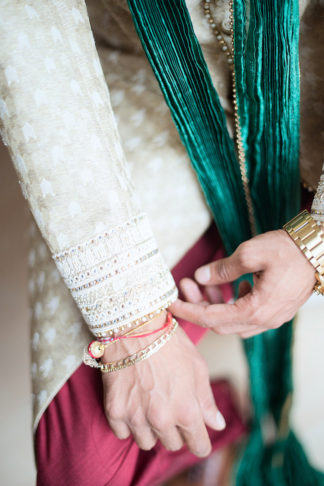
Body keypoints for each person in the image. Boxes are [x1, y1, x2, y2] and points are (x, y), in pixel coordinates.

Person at [0, 1, 323, 485]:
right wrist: (133, 322)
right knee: (82, 470)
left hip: (309, 106)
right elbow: (25, 28)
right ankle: (220, 435)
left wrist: (315, 243)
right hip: (138, 92)